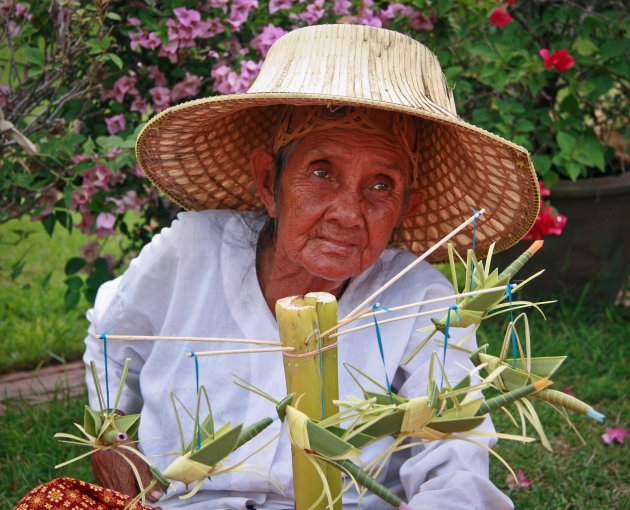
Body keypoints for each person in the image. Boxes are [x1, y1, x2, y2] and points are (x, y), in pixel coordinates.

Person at [17, 24, 539, 510]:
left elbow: (457, 468)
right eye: (321, 172)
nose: (348, 212)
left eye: (382, 185)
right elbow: (110, 338)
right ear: (269, 183)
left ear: (409, 206)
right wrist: (112, 437)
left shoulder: (419, 299)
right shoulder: (192, 250)